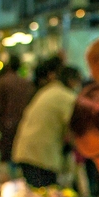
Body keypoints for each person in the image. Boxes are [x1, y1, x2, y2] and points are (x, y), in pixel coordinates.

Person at [12, 58, 77, 188]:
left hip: (26, 151)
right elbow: (74, 128)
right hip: (41, 156)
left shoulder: (47, 91)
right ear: (72, 81)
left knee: (34, 196)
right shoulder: (67, 97)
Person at [0, 56, 35, 171]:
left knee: (8, 163)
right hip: (25, 125)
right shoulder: (26, 83)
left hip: (7, 127)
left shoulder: (2, 82)